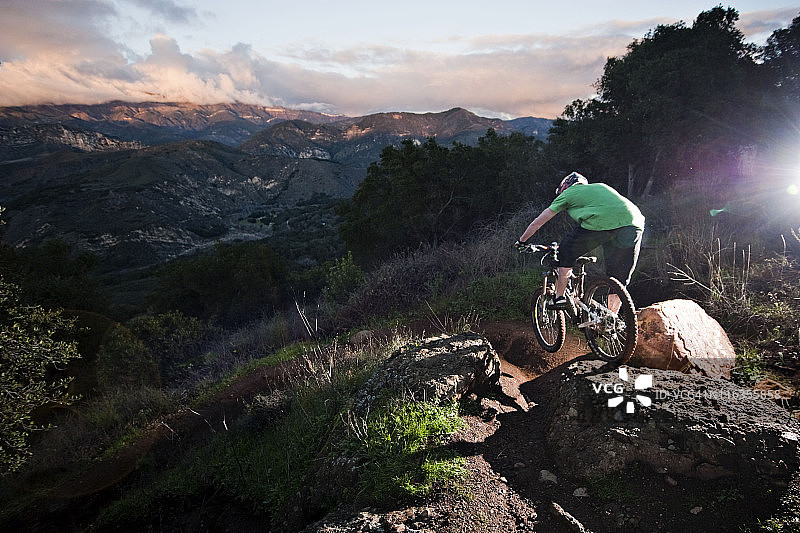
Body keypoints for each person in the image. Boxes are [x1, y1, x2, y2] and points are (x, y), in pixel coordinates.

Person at [516, 172, 645, 311]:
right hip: (634, 223)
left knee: (565, 250)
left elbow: (539, 221)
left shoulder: (568, 193)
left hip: (602, 222)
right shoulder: (601, 187)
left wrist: (522, 241)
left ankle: (559, 298)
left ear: (565, 186)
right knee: (618, 278)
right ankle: (610, 319)